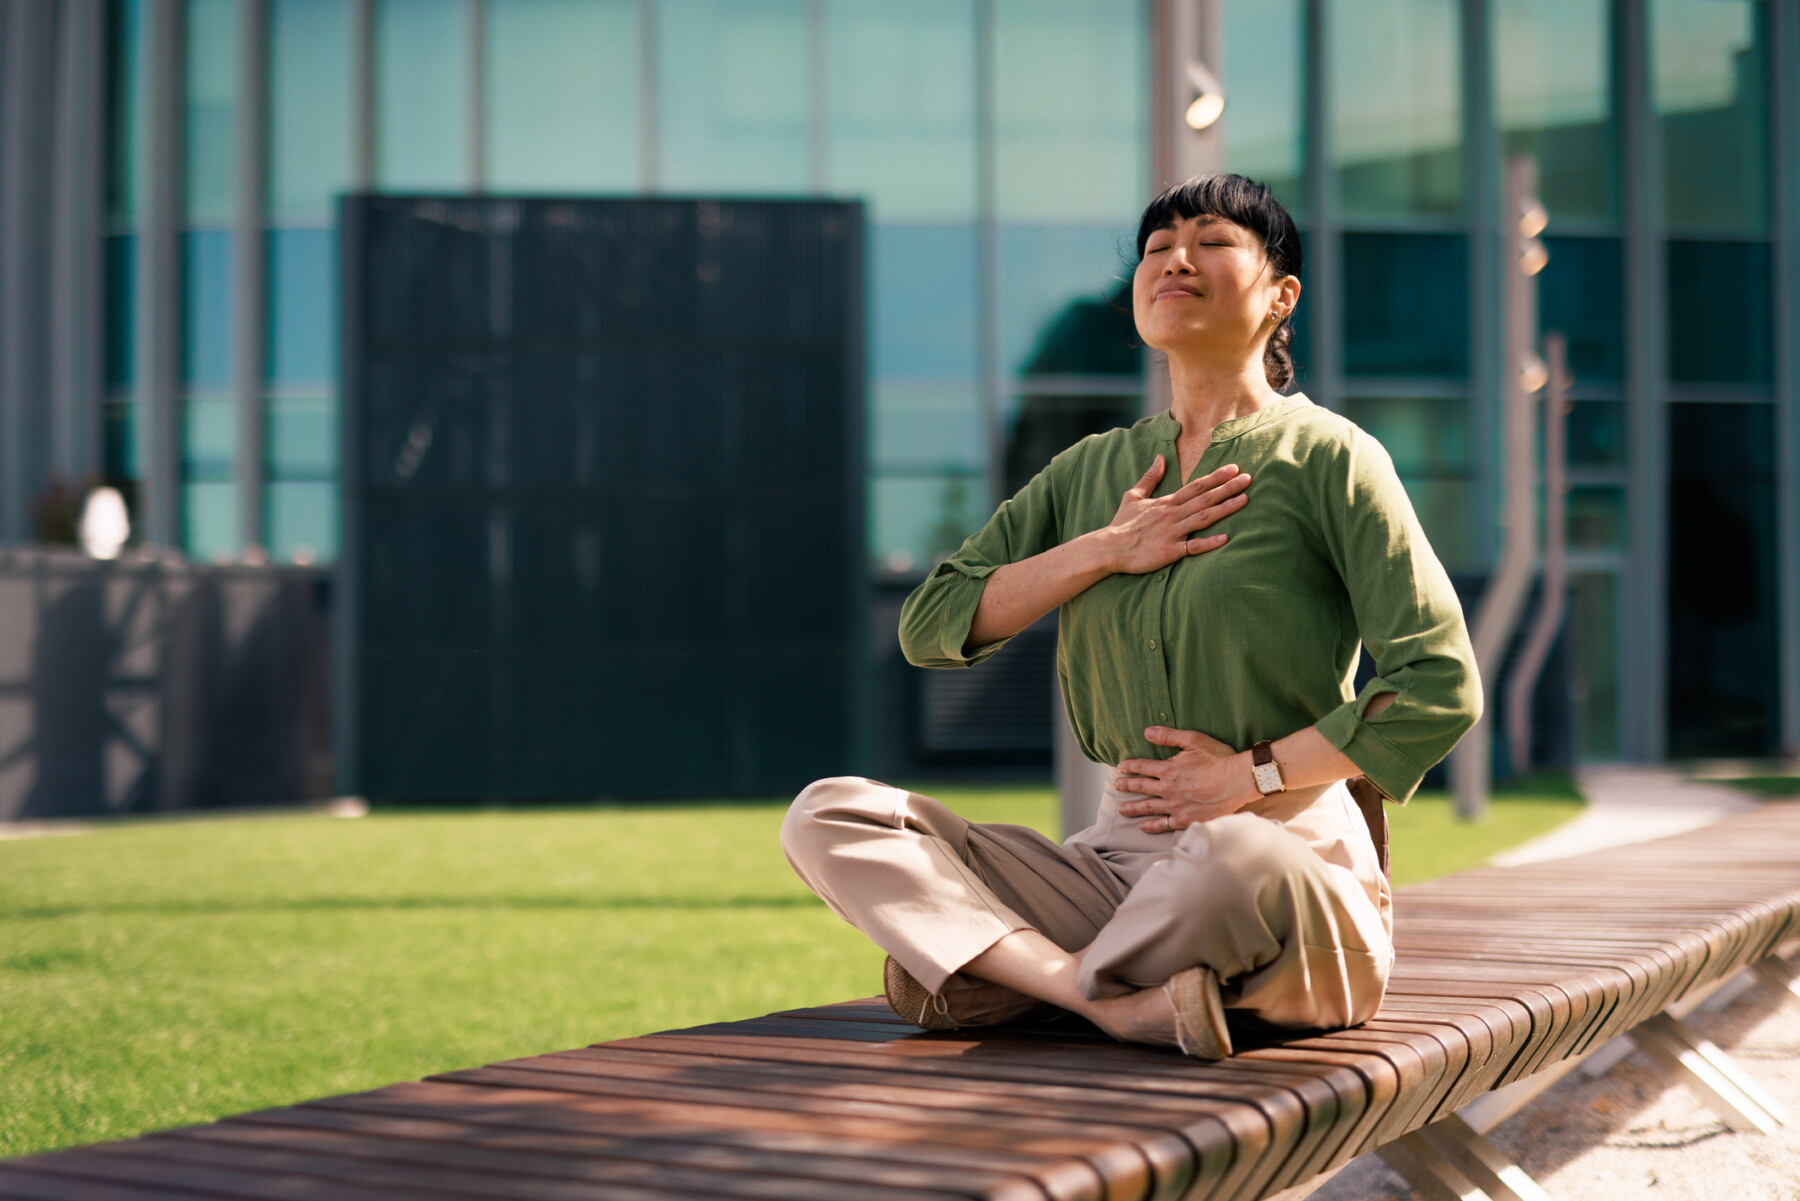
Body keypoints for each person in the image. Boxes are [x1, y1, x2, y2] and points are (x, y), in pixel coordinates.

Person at [782, 173, 1482, 1058]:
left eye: (1212, 241)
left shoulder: (1330, 456)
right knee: (830, 813)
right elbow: (932, 622)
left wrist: (1252, 778)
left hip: (1279, 861)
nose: (1175, 258)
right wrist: (1105, 549)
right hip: (1111, 867)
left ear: (1281, 294)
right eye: (1156, 248)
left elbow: (1439, 685)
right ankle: (1097, 993)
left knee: (1229, 858)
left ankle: (1013, 973)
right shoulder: (1092, 472)